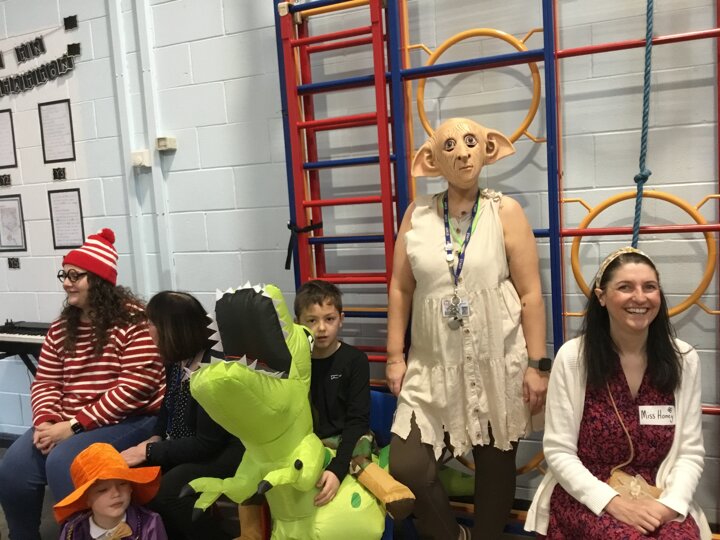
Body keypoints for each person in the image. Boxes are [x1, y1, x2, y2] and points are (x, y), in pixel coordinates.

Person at [385, 118, 548, 540]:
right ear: (431, 161)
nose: (462, 153)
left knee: (495, 470)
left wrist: (537, 364)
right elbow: (401, 287)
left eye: (471, 142)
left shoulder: (505, 211)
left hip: (497, 360)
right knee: (408, 466)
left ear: (488, 150)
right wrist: (394, 356)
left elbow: (531, 293)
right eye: (450, 146)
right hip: (431, 365)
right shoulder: (417, 214)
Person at [525, 247, 711, 539]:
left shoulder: (683, 359)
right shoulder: (574, 358)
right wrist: (614, 504)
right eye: (625, 287)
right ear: (601, 297)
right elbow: (558, 452)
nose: (640, 297)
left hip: (658, 493)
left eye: (649, 287)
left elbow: (690, 452)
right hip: (588, 493)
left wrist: (669, 506)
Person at [0, 228, 165, 540]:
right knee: (14, 468)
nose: (66, 282)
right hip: (68, 422)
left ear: (99, 280)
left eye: (75, 275)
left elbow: (135, 388)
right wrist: (46, 422)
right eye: (64, 274)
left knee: (66, 461)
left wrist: (74, 426)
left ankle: (80, 534)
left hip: (130, 419)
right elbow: (46, 381)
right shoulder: (63, 327)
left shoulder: (134, 322)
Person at [120, 290, 245, 540]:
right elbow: (167, 409)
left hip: (228, 451)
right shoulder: (177, 360)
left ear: (171, 330)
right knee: (133, 479)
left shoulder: (213, 367)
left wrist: (148, 451)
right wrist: (155, 438)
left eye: (151, 323)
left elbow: (207, 443)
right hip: (190, 444)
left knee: (168, 492)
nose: (147, 330)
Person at [295, 279, 414, 517]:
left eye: (329, 319)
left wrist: (337, 470)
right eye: (312, 320)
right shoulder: (296, 363)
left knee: (360, 454)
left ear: (341, 319)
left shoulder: (354, 360)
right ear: (298, 323)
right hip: (312, 442)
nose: (321, 328)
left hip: (350, 439)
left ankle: (392, 496)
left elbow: (357, 421)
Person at [53, 442, 167, 539]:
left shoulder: (149, 523)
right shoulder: (73, 531)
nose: (116, 493)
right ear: (86, 498)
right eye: (103, 490)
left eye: (122, 484)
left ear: (131, 488)